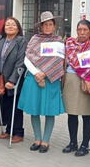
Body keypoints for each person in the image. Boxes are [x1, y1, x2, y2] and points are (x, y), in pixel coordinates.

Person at [17, 12, 65, 153]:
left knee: (49, 111)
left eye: (50, 24)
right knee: (34, 109)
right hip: (33, 78)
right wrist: (36, 73)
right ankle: (37, 138)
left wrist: (44, 73)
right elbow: (27, 58)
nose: (48, 27)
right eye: (45, 24)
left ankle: (46, 140)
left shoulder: (58, 41)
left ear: (54, 26)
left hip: (51, 79)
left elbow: (59, 60)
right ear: (41, 26)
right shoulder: (34, 39)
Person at [63, 20, 90, 156]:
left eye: (85, 30)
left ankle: (85, 145)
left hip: (88, 81)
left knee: (86, 114)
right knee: (72, 113)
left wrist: (88, 79)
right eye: (79, 29)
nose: (82, 32)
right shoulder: (70, 43)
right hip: (71, 80)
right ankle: (73, 142)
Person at [0, 17, 27, 143]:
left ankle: (18, 132)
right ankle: (9, 130)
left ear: (18, 28)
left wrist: (13, 80)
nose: (10, 27)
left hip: (14, 79)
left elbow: (20, 62)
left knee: (16, 106)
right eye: (7, 25)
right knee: (6, 106)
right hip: (2, 78)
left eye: (13, 25)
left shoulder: (21, 41)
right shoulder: (0, 39)